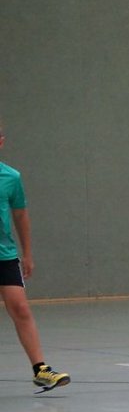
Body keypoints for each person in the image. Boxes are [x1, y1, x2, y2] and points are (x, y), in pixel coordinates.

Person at [0, 124, 70, 394]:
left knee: (20, 308)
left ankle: (41, 370)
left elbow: (20, 215)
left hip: (5, 256)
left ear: (2, 142)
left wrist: (27, 253)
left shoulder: (11, 177)